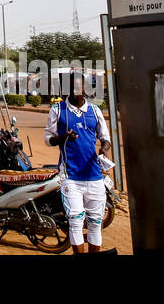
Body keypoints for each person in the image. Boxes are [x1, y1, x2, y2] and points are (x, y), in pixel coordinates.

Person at [44, 72, 114, 254]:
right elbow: (48, 140)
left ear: (85, 88)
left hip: (94, 177)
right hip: (70, 178)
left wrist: (104, 149)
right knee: (75, 222)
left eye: (79, 86)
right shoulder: (57, 110)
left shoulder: (95, 111)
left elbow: (105, 138)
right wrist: (63, 137)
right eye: (72, 86)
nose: (76, 90)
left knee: (95, 224)